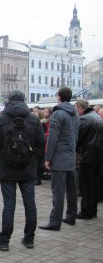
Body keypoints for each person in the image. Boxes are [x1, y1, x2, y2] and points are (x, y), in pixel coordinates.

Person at [0, 90, 45, 251]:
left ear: (9, 100)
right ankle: (29, 239)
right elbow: (41, 142)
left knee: (9, 204)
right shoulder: (33, 119)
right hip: (28, 167)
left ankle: (4, 240)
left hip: (7, 166)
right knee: (30, 203)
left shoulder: (1, 118)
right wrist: (32, 154)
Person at [39, 87, 79, 231]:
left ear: (59, 97)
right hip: (70, 155)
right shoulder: (75, 113)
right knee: (71, 189)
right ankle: (71, 216)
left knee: (58, 191)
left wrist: (48, 158)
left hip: (59, 158)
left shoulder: (58, 114)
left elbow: (52, 138)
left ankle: (55, 222)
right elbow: (76, 135)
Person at [74, 99, 103, 219]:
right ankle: (93, 211)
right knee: (94, 185)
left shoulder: (84, 119)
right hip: (98, 155)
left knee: (86, 185)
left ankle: (86, 212)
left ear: (80, 108)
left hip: (88, 156)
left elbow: (78, 138)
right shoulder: (97, 117)